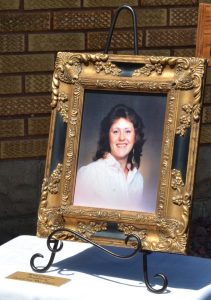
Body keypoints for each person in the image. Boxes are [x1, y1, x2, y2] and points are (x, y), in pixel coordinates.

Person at [74, 104, 145, 211]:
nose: (122, 137)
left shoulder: (138, 179)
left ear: (136, 137)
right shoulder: (89, 174)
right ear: (108, 136)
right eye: (116, 131)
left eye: (128, 131)